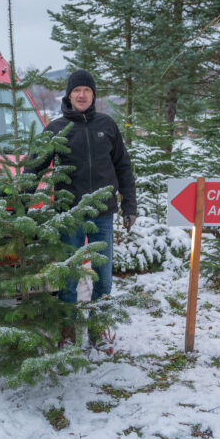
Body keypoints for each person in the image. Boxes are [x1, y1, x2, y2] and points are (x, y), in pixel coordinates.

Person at [28, 69, 137, 307]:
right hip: (70, 215)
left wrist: (130, 205)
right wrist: (21, 203)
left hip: (103, 214)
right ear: (68, 95)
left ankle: (100, 327)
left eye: (86, 90)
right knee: (68, 277)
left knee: (103, 278)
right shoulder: (56, 129)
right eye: (76, 90)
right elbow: (34, 167)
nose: (81, 95)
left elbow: (123, 167)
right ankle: (68, 328)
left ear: (93, 94)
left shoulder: (107, 125)